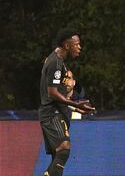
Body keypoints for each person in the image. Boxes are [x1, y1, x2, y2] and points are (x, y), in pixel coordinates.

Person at [39, 28, 95, 176]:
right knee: (64, 148)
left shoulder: (60, 63)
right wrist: (76, 104)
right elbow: (52, 93)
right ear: (66, 45)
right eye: (76, 44)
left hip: (59, 112)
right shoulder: (55, 62)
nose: (79, 47)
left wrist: (76, 109)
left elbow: (60, 94)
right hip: (52, 114)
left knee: (57, 157)